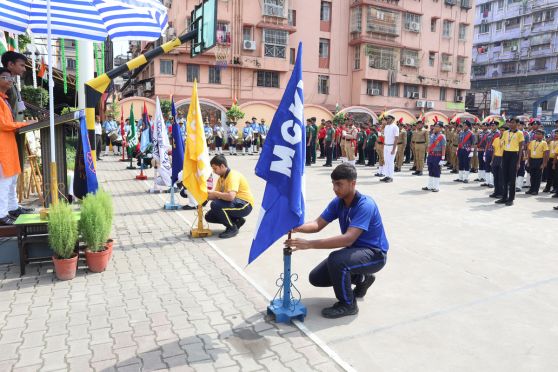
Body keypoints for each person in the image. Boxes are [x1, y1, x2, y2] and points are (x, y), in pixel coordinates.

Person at [286, 163, 389, 319]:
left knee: (336, 260)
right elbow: (317, 224)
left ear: (352, 183)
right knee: (316, 278)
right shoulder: (338, 202)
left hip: (375, 255)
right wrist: (295, 227)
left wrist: (310, 244)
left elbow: (348, 239)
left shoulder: (365, 205)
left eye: (339, 184)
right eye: (333, 184)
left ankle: (348, 304)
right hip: (355, 252)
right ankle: (362, 278)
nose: (335, 188)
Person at [0, 68, 32, 225]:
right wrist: (24, 124)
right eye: (4, 77)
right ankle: (1, 215)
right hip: (2, 146)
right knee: (4, 181)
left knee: (11, 179)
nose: (9, 80)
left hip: (9, 144)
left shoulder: (4, 99)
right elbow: (3, 124)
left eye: (9, 77)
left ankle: (12, 208)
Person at [205, 155, 254, 239]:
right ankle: (237, 221)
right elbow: (215, 196)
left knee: (215, 205)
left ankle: (232, 228)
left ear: (222, 166)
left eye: (215, 168)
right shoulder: (221, 178)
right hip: (235, 203)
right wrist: (203, 195)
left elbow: (230, 197)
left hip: (245, 205)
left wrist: (214, 193)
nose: (213, 171)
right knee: (209, 216)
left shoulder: (232, 175)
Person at [496, 118, 524, 206]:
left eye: (513, 123)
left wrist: (518, 162)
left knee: (512, 178)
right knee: (504, 176)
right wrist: (501, 158)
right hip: (505, 154)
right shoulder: (505, 132)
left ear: (517, 124)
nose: (511, 124)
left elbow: (520, 149)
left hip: (514, 155)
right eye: (510, 123)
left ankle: (511, 198)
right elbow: (503, 144)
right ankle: (504, 197)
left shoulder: (520, 133)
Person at [1, 52, 27, 121]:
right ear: (11, 64)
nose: (24, 69)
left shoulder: (12, 82)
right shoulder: (4, 83)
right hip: (9, 127)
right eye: (22, 65)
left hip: (16, 126)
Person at [423, 122, 446, 192]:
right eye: (435, 126)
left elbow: (443, 147)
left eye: (437, 126)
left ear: (441, 128)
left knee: (436, 171)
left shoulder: (442, 136)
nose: (435, 127)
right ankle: (430, 186)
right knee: (430, 170)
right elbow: (429, 145)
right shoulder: (432, 135)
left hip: (437, 156)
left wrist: (442, 158)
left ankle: (436, 187)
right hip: (431, 155)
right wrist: (428, 154)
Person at [525, 129, 549, 196]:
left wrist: (543, 163)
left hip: (539, 160)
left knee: (538, 176)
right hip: (532, 160)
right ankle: (531, 189)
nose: (537, 135)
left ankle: (536, 190)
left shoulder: (544, 143)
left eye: (539, 134)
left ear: (542, 135)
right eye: (536, 134)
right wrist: (528, 161)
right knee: (532, 176)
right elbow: (529, 151)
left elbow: (545, 153)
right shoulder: (532, 142)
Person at [381, 115, 398, 182]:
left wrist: (393, 149)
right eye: (387, 118)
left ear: (393, 119)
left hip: (391, 146)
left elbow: (396, 138)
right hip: (386, 146)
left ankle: (390, 177)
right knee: (386, 162)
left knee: (390, 162)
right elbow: (385, 137)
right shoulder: (387, 127)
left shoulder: (395, 127)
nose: (387, 119)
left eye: (389, 118)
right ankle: (386, 175)